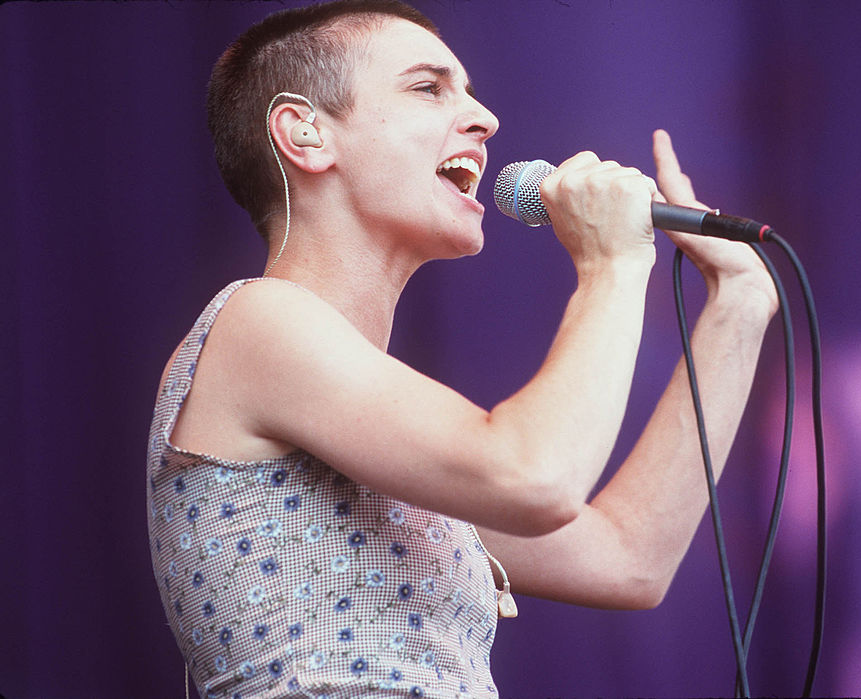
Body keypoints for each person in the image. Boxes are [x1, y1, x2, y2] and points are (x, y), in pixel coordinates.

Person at [146, 1, 778, 697]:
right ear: (305, 134)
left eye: (470, 90)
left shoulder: (374, 431)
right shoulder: (256, 321)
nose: (484, 118)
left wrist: (742, 305)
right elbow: (535, 476)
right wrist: (612, 265)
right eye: (428, 87)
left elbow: (631, 558)